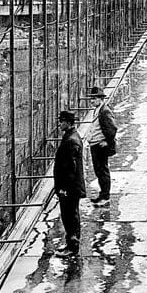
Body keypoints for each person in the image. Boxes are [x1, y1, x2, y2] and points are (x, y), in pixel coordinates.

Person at [53, 109, 86, 257]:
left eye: (61, 121)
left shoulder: (71, 140)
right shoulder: (70, 136)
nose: (59, 124)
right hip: (68, 187)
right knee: (68, 215)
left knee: (70, 216)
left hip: (70, 188)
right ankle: (70, 243)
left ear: (68, 123)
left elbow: (70, 170)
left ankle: (72, 247)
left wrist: (64, 189)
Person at [85, 85, 117, 206]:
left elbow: (112, 128)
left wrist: (107, 141)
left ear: (100, 99)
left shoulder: (104, 111)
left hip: (100, 146)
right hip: (95, 145)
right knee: (98, 171)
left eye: (94, 98)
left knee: (102, 171)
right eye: (91, 99)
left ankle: (105, 197)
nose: (92, 101)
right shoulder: (98, 109)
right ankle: (102, 195)